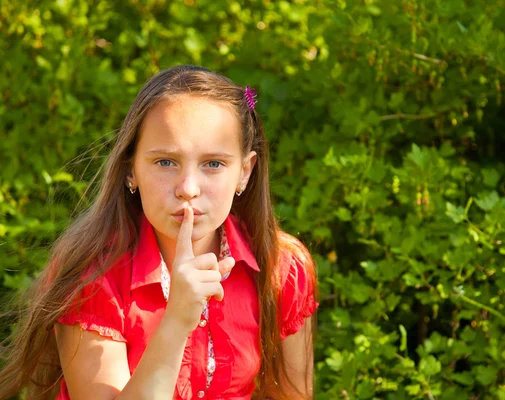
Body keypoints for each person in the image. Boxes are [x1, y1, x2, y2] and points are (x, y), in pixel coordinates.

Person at [0, 65, 318, 399]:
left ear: (244, 172)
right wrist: (177, 319)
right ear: (130, 170)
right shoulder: (93, 277)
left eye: (213, 164)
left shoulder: (282, 268)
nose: (188, 188)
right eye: (165, 162)